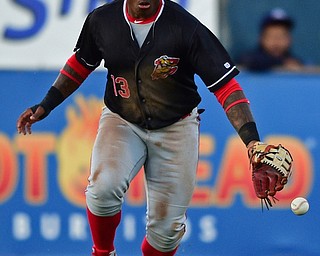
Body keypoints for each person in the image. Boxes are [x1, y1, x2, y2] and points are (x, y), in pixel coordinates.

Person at [16, 0, 263, 255]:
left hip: (175, 127)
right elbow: (81, 63)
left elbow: (227, 87)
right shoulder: (102, 20)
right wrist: (47, 104)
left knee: (166, 233)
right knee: (102, 190)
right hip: (121, 119)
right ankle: (102, 252)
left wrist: (251, 140)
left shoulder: (185, 27)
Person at [238, 8, 304, 72]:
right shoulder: (249, 58)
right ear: (261, 39)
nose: (276, 41)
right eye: (272, 36)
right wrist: (282, 64)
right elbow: (254, 62)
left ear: (289, 39)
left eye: (281, 36)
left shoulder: (296, 62)